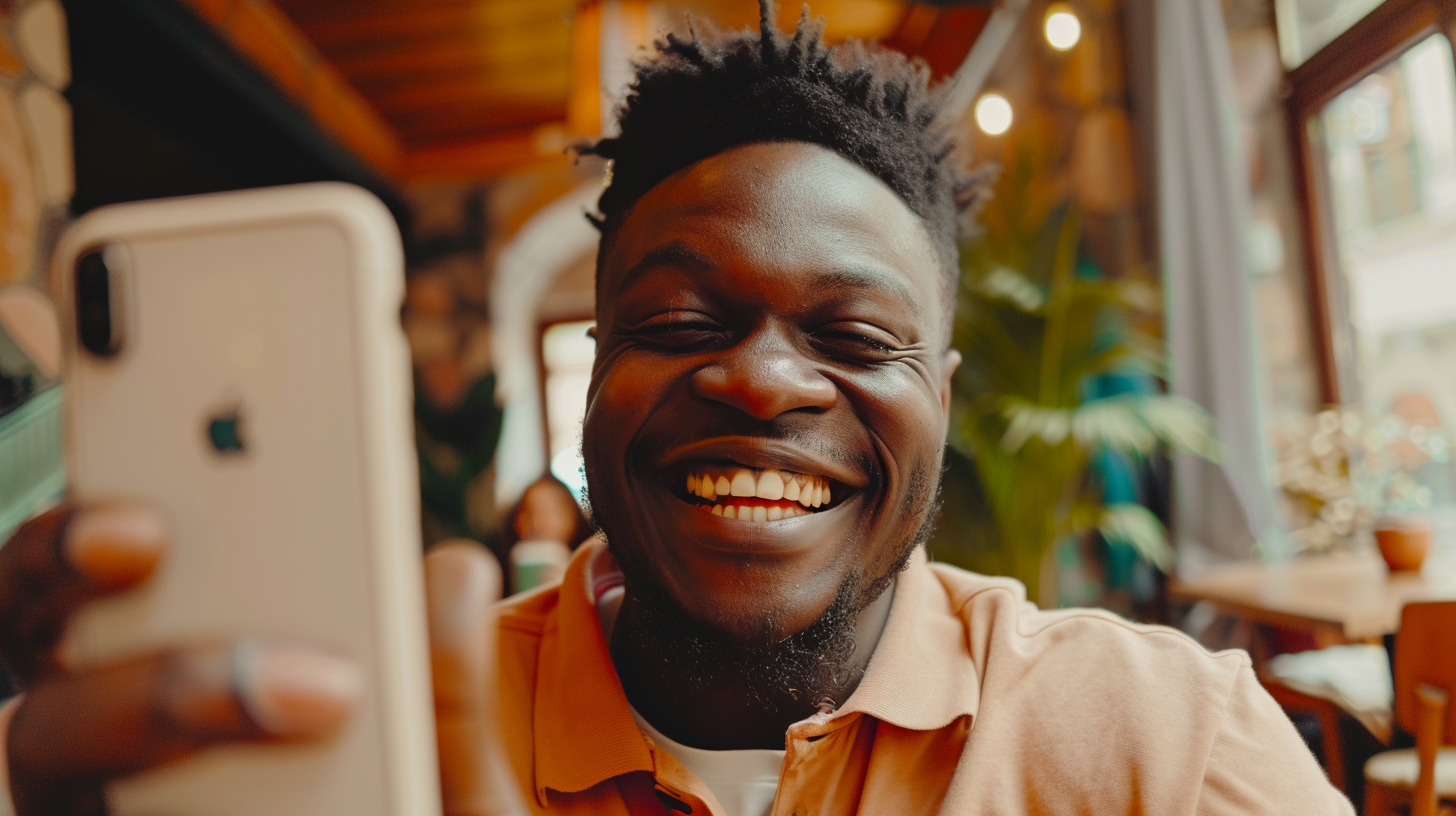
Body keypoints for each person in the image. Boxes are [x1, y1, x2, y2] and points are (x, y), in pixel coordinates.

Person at [0, 3, 1353, 814]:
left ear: (939, 400)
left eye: (853, 334)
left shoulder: (1165, 749)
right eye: (678, 323)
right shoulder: (373, 743)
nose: (762, 381)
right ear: (595, 374)